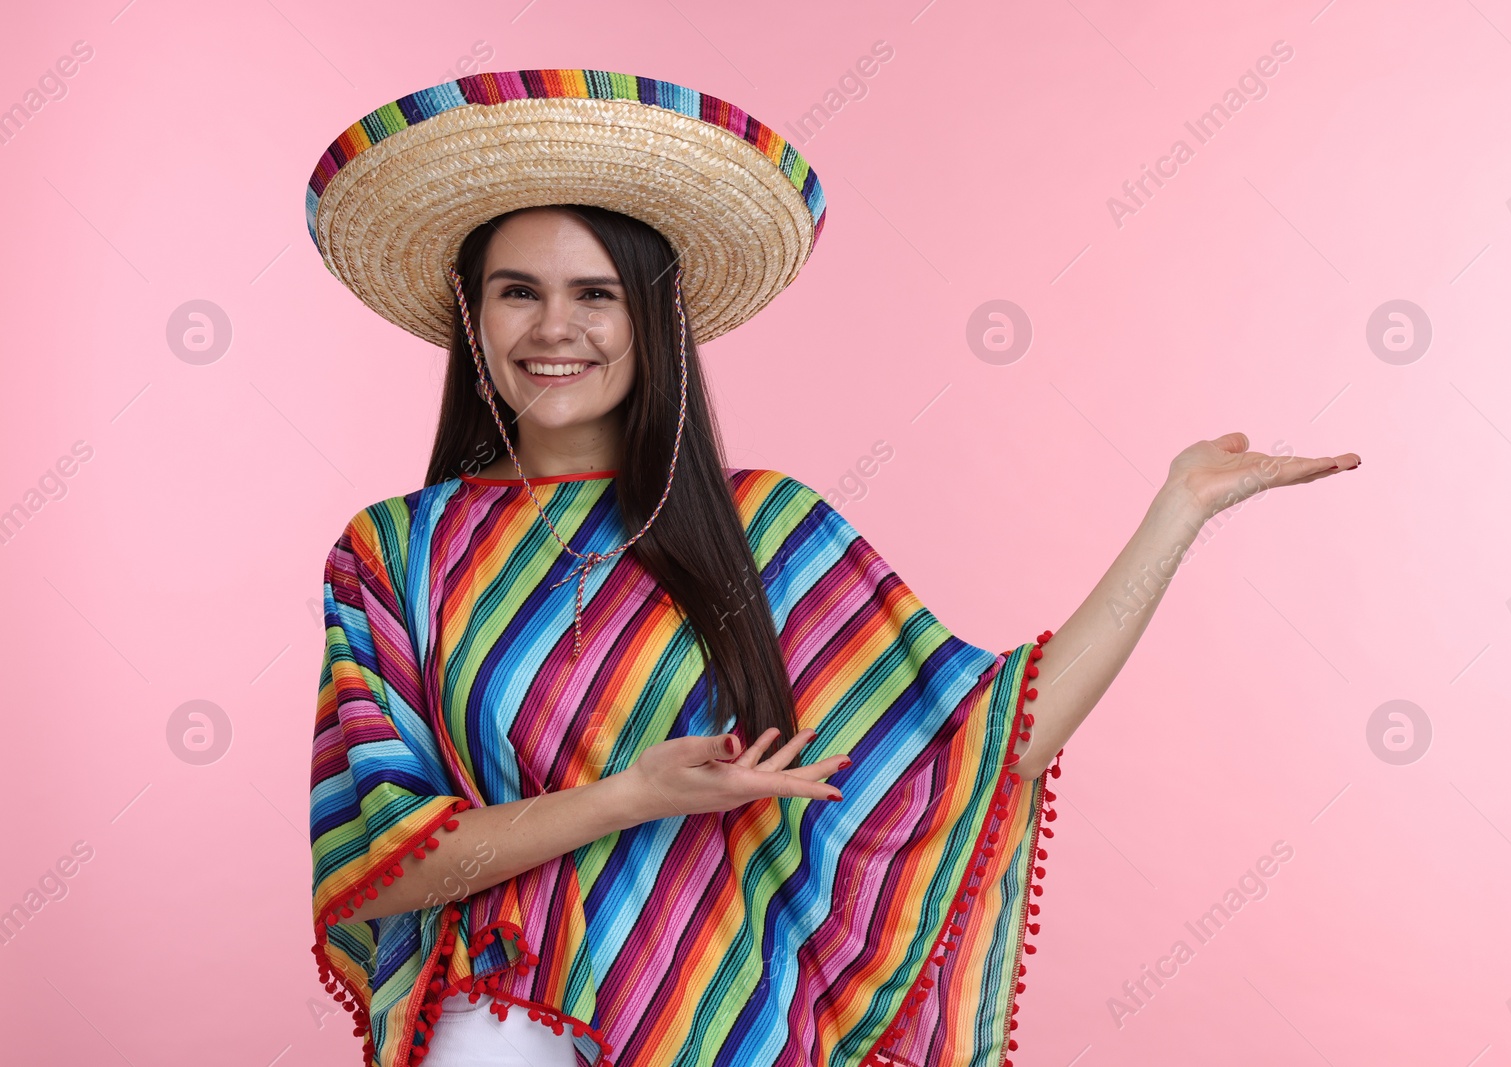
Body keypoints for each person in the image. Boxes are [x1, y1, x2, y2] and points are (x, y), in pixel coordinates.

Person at [306, 69, 1359, 1067]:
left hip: (736, 1022)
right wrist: (631, 795)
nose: (554, 328)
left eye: (598, 294)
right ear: (471, 310)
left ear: (652, 316)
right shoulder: (394, 552)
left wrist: (1176, 509)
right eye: (516, 291)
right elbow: (384, 867)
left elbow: (994, 740)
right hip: (502, 1025)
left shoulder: (762, 527)